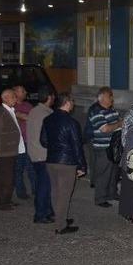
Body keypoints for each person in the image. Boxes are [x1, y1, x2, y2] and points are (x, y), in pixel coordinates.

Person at [39, 92, 86, 234]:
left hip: (51, 160)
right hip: (67, 162)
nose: (73, 104)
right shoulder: (72, 123)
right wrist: (82, 165)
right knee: (64, 194)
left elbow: (43, 141)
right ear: (67, 103)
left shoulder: (48, 119)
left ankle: (61, 218)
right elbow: (77, 146)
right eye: (72, 101)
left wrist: (56, 147)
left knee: (55, 192)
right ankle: (60, 226)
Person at [0, 88, 23, 211]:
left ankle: (7, 200)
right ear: (6, 98)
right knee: (5, 179)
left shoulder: (9, 111)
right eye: (13, 96)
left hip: (10, 150)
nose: (16, 99)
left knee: (9, 178)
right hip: (4, 151)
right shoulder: (1, 113)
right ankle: (3, 204)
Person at [88, 87, 122, 208]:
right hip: (102, 147)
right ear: (101, 98)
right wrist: (118, 124)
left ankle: (112, 193)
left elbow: (115, 125)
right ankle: (100, 198)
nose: (112, 98)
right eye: (109, 96)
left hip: (114, 147)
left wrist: (118, 125)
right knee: (103, 173)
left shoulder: (111, 110)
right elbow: (105, 129)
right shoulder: (96, 111)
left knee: (114, 172)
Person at [26, 86, 55, 224]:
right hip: (43, 154)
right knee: (44, 186)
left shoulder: (34, 111)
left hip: (34, 153)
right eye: (53, 96)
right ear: (49, 97)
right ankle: (40, 214)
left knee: (44, 184)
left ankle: (48, 211)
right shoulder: (46, 115)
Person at [12, 85, 35, 200]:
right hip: (19, 142)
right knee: (19, 168)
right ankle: (21, 193)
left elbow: (33, 117)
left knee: (31, 168)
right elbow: (24, 116)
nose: (25, 92)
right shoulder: (12, 106)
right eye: (22, 91)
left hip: (29, 141)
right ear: (15, 93)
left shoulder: (28, 105)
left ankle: (36, 190)